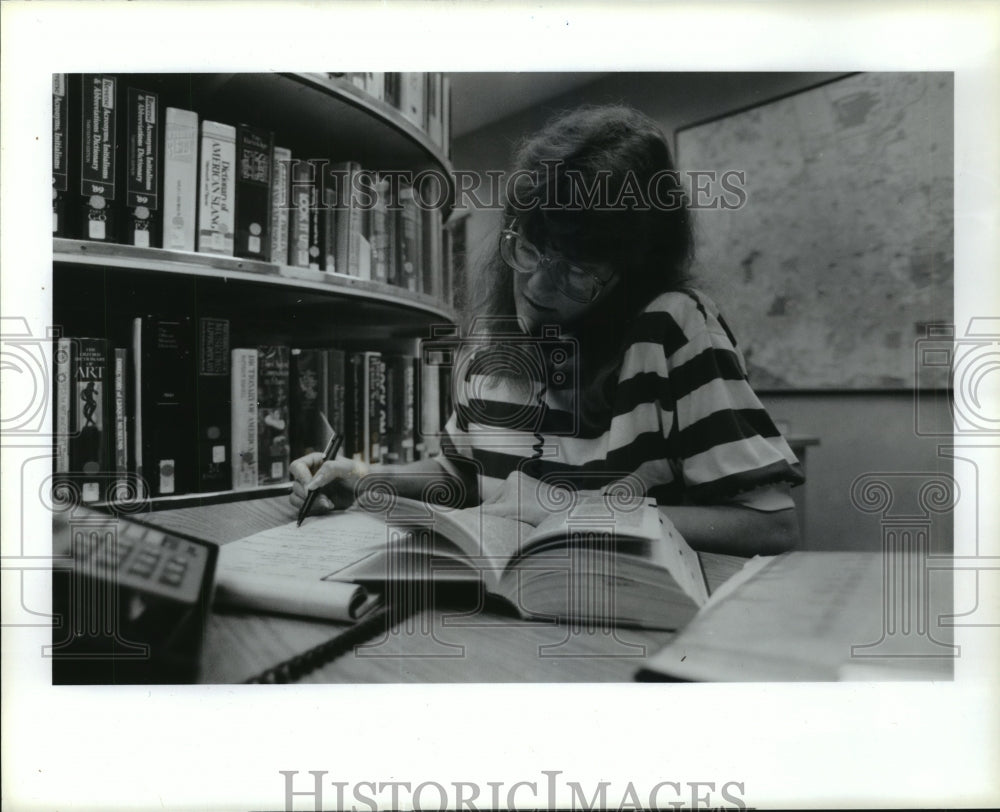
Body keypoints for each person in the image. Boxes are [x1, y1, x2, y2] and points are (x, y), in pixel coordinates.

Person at [291, 104, 804, 556]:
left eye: (577, 271)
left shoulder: (673, 326)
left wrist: (574, 515)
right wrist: (361, 479)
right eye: (529, 249)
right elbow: (463, 476)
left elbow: (771, 526)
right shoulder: (493, 346)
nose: (537, 284)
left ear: (631, 275)